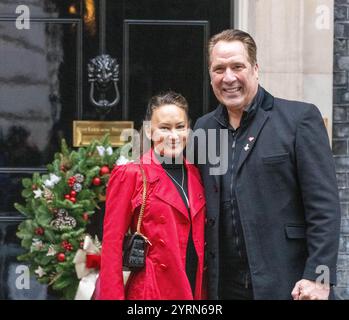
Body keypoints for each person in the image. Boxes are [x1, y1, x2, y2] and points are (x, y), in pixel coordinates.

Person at [193, 29, 341, 300]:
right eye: (219, 69)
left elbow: (325, 209)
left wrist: (320, 278)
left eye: (238, 66)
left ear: (256, 69)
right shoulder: (203, 129)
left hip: (290, 285)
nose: (228, 77)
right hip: (223, 287)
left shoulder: (299, 119)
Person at [97, 91, 206, 299]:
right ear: (149, 131)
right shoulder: (131, 174)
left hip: (194, 289)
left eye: (180, 127)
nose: (173, 136)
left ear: (189, 129)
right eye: (164, 128)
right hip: (152, 292)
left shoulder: (196, 173)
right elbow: (111, 247)